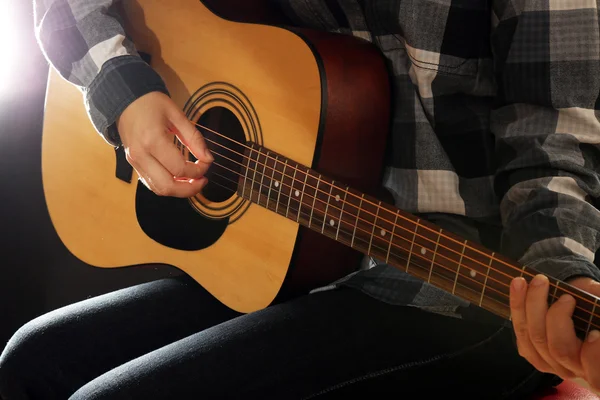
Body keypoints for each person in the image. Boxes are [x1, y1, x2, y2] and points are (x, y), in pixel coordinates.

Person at [1, 0, 600, 398]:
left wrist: (561, 273)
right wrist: (125, 94)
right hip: (282, 241)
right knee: (33, 363)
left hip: (448, 280)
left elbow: (549, 132)